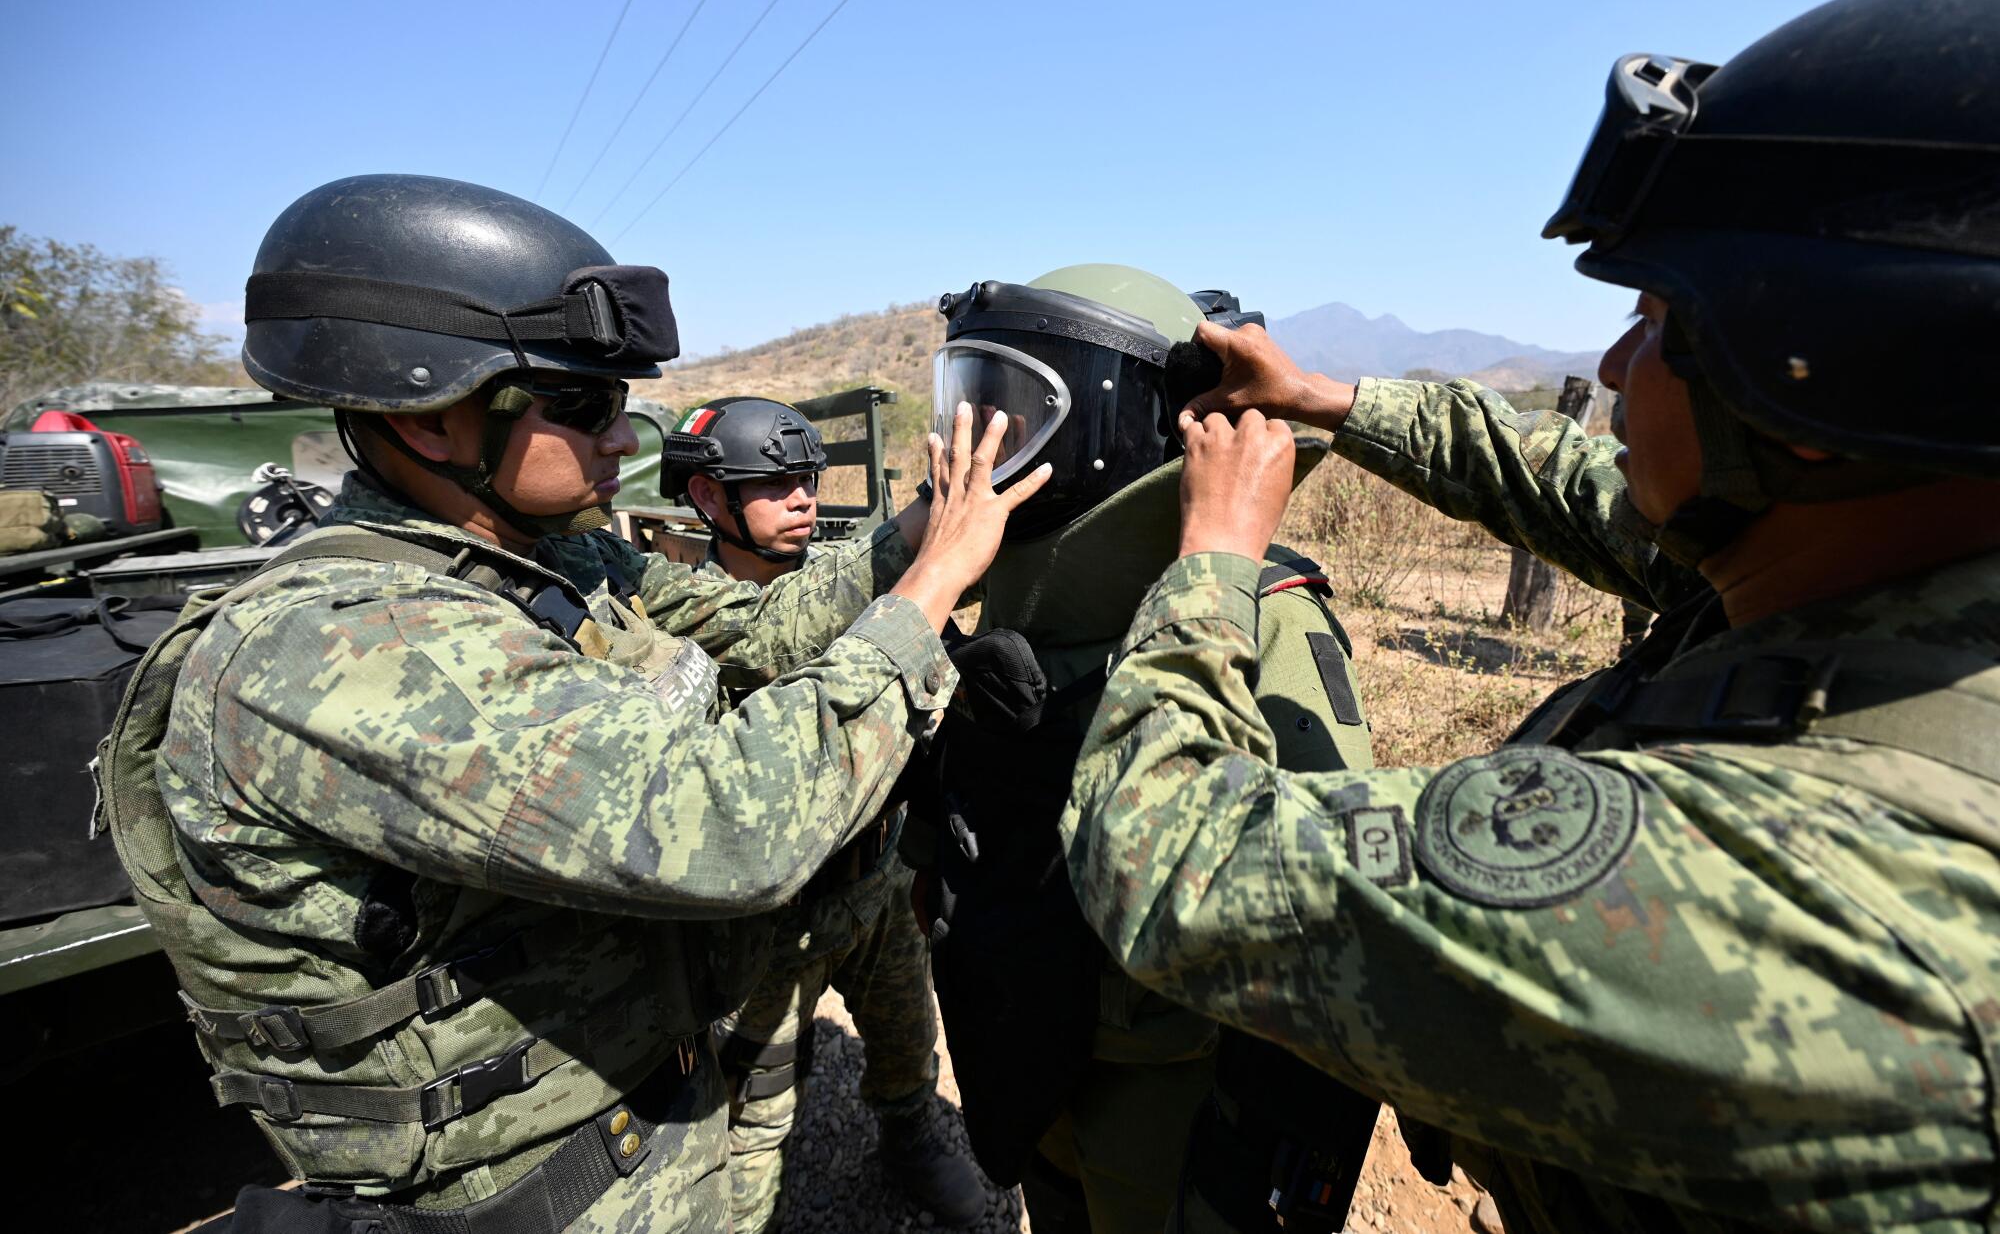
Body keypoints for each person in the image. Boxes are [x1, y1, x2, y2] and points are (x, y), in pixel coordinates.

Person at [1060, 0, 2000, 1233]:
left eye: (1660, 317)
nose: (1610, 364)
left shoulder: (1798, 886)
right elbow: (1576, 483)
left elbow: (1168, 860)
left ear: (1826, 379)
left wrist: (1212, 558)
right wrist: (1329, 397)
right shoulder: (1897, 564)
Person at [97, 174, 1047, 1234]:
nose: (619, 440)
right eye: (585, 405)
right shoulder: (348, 642)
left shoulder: (551, 560)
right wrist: (927, 595)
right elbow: (725, 830)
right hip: (539, 1196)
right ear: (435, 424)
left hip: (651, 1124)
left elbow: (769, 632)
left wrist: (922, 521)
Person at [906, 266, 1384, 1234]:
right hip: (1031, 1037)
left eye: (1019, 410)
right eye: (973, 400)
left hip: (1173, 1081)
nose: (983, 442)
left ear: (1117, 422)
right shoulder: (1008, 606)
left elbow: (1332, 902)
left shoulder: (1267, 617)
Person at [660, 396, 987, 1230]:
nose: (804, 497)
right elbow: (779, 641)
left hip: (873, 883)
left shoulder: (839, 573)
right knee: (754, 1117)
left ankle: (909, 1136)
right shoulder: (686, 623)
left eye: (808, 478)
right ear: (707, 499)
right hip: (769, 926)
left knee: (908, 1041)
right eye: (775, 483)